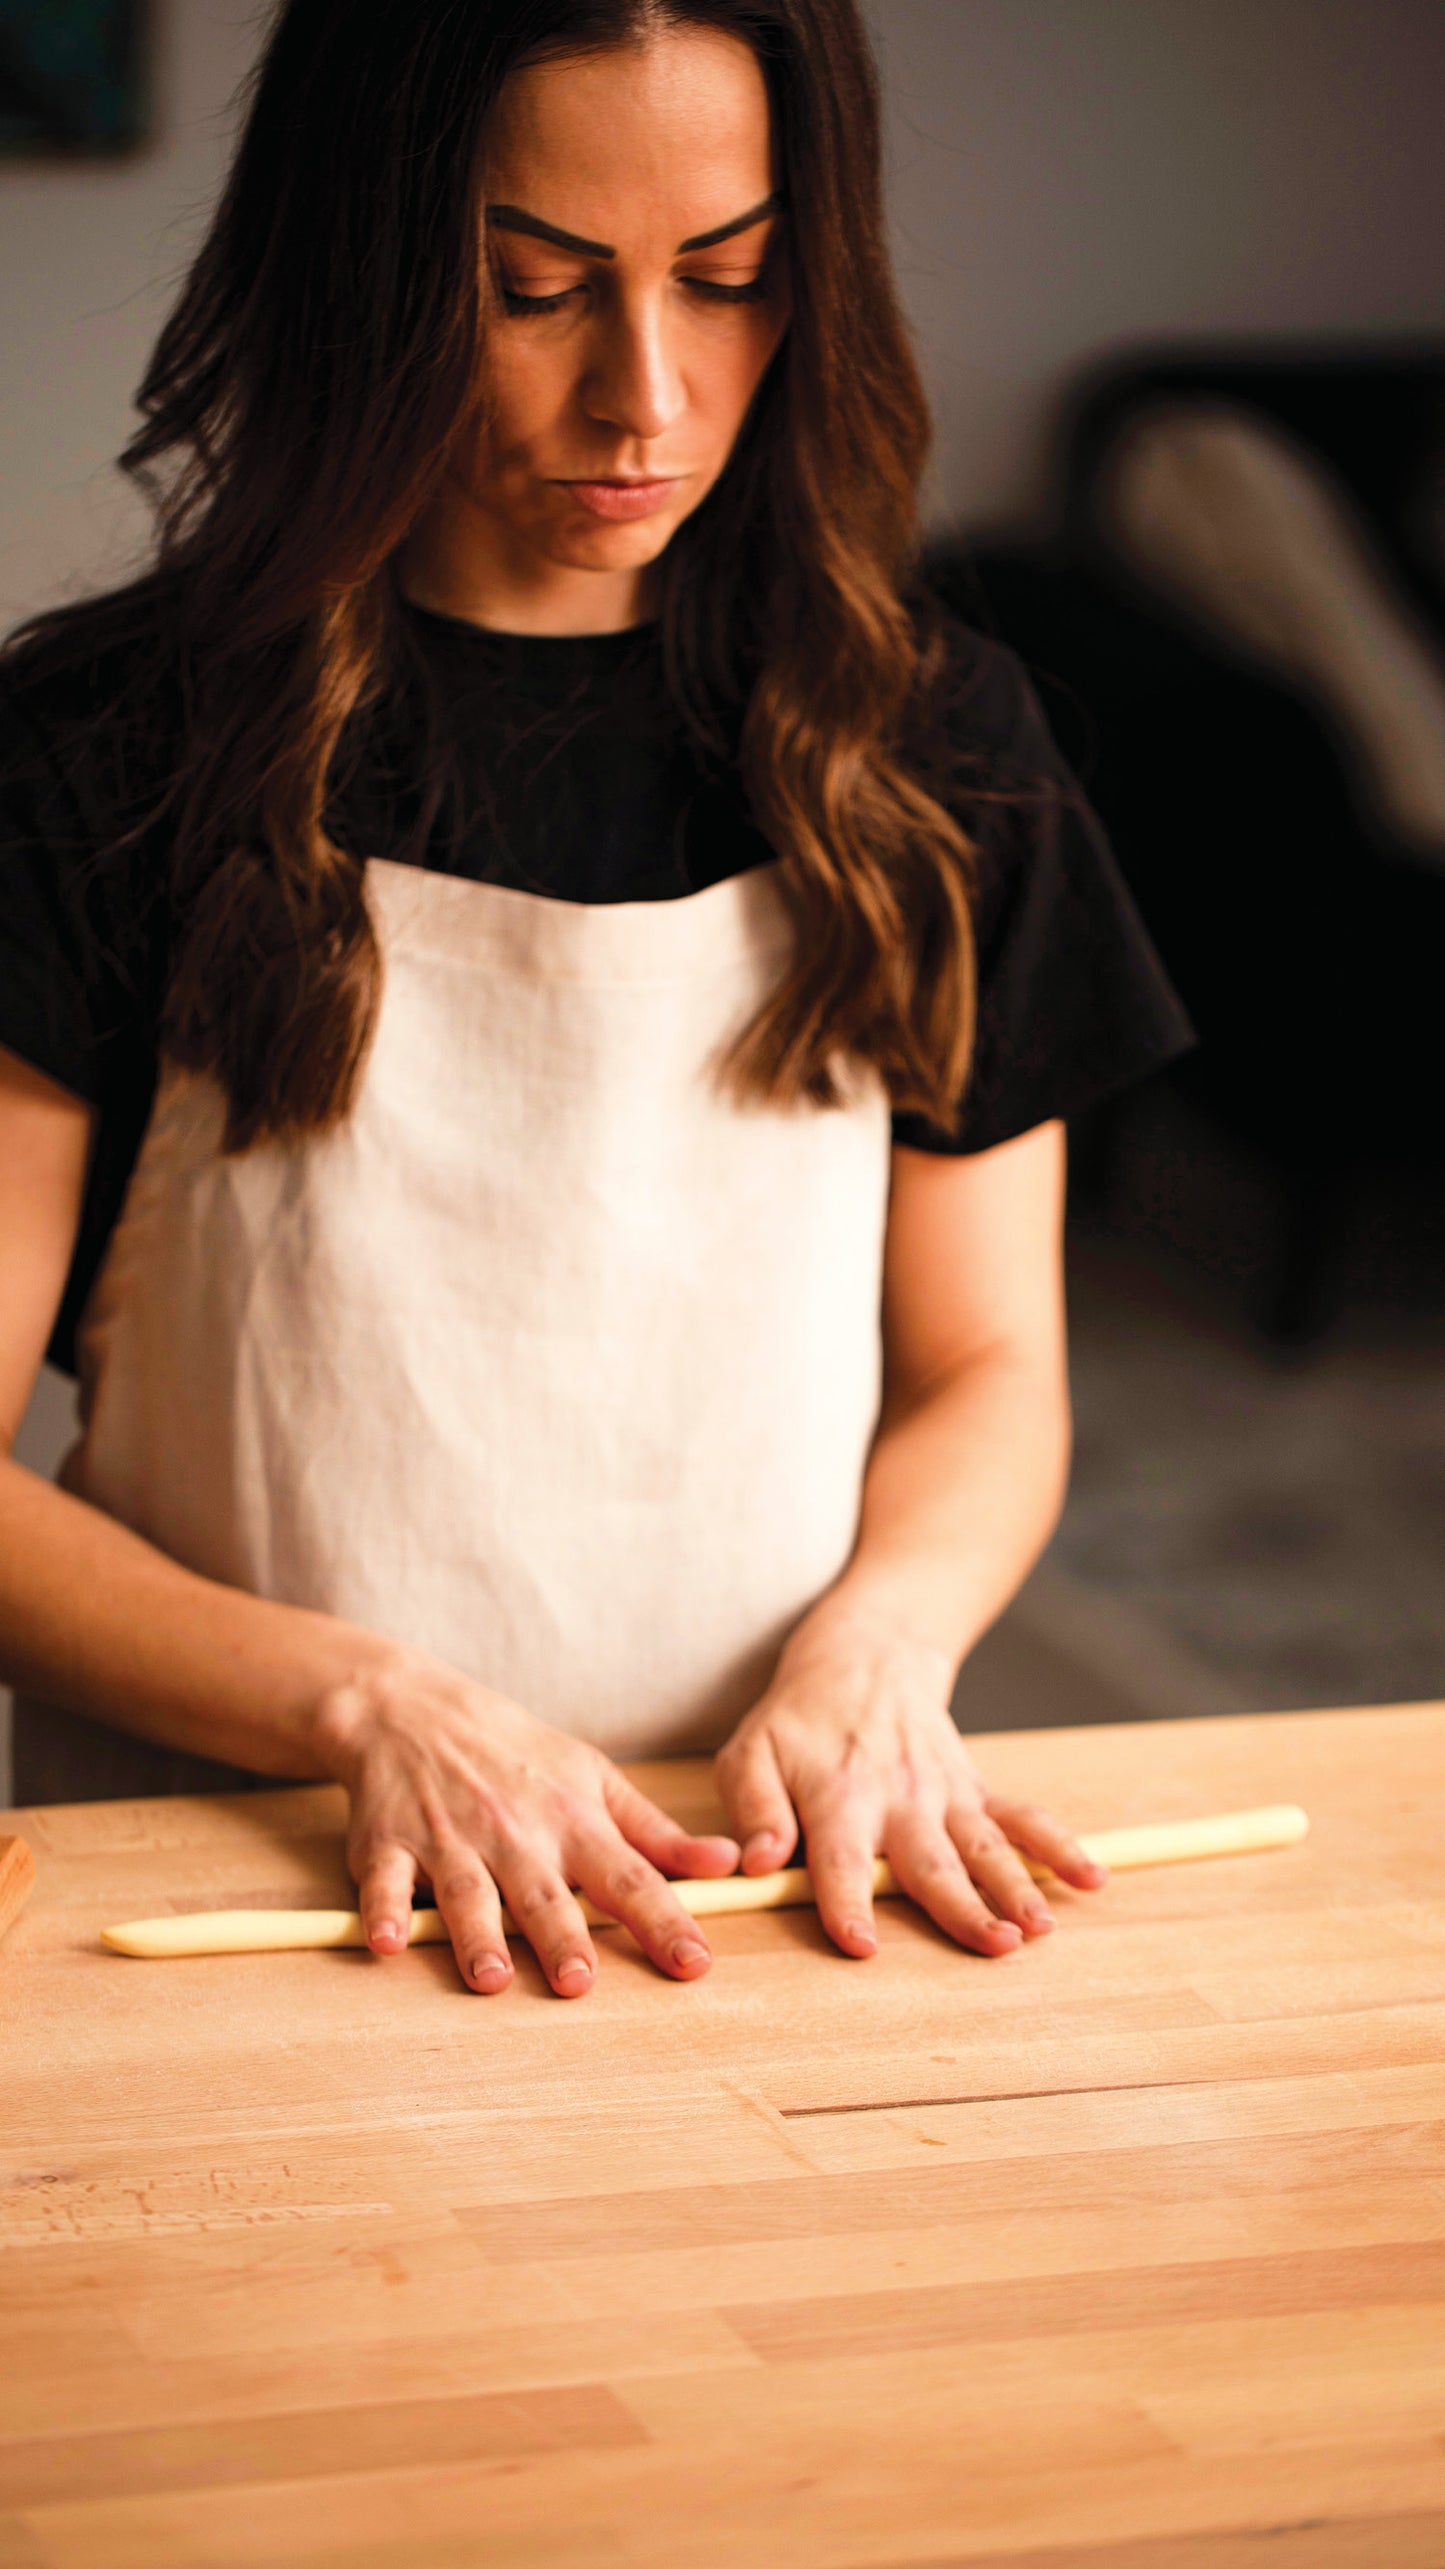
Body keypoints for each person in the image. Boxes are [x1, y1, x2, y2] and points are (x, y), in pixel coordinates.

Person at [0, 0, 1190, 1999]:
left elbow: (988, 1363)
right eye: (533, 289)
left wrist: (881, 1647)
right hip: (253, 1896)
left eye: (728, 279)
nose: (645, 397)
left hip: (760, 1886)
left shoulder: (937, 748)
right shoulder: (97, 757)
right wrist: (376, 1709)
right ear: (361, 274)